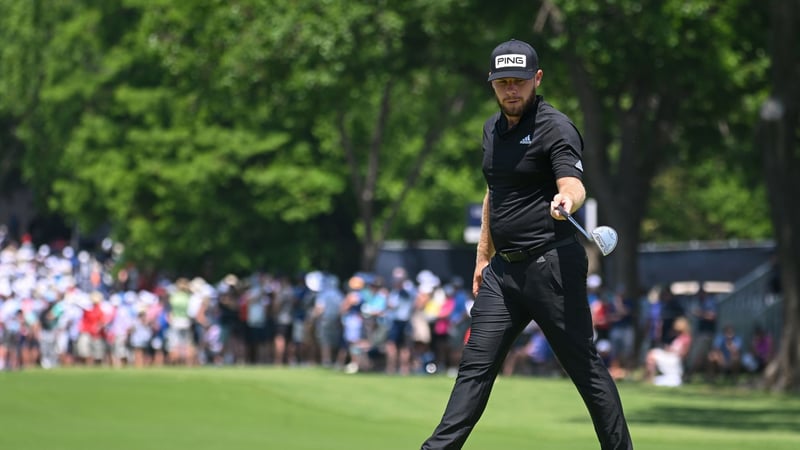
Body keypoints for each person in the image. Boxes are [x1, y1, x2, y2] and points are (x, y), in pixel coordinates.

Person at [420, 39, 632, 450]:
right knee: (474, 369)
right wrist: (483, 258)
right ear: (492, 85)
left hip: (551, 266)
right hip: (503, 275)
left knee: (584, 369)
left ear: (537, 79)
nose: (511, 90)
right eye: (502, 83)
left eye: (519, 81)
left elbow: (572, 182)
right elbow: (493, 194)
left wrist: (566, 199)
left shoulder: (556, 126)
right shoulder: (491, 129)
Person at [644, 316, 692, 387]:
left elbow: (684, 353)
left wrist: (673, 351)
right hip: (670, 355)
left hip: (675, 358)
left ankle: (649, 376)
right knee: (652, 353)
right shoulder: (676, 336)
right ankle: (649, 376)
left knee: (652, 355)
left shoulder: (686, 338)